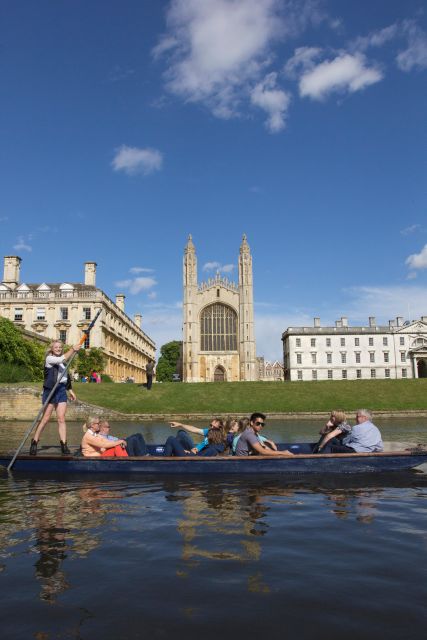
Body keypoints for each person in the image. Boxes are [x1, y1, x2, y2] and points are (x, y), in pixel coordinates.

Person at [30, 339, 81, 456]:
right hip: (50, 390)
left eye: (60, 347)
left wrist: (70, 390)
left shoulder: (63, 362)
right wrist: (73, 349)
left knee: (61, 418)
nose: (58, 349)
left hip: (61, 390)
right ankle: (34, 441)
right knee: (45, 418)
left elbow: (65, 376)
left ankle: (64, 444)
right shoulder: (50, 359)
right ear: (52, 349)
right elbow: (62, 358)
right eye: (56, 347)